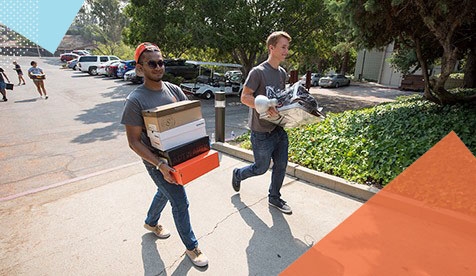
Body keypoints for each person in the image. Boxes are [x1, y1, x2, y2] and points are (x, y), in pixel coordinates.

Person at [120, 42, 208, 267]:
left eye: (161, 62)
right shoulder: (135, 100)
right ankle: (192, 247)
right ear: (140, 68)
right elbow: (133, 142)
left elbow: (187, 120)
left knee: (164, 191)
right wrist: (159, 164)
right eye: (152, 63)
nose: (158, 67)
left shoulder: (174, 90)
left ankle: (151, 222)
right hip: (155, 161)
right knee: (180, 201)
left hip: (178, 157)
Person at [232, 31, 293, 214]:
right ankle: (238, 174)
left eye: (287, 47)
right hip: (261, 132)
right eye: (283, 47)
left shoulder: (282, 73)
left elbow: (279, 99)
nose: (286, 51)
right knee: (260, 168)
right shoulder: (258, 72)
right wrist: (265, 107)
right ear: (271, 48)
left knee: (281, 165)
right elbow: (244, 97)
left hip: (278, 128)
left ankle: (275, 198)